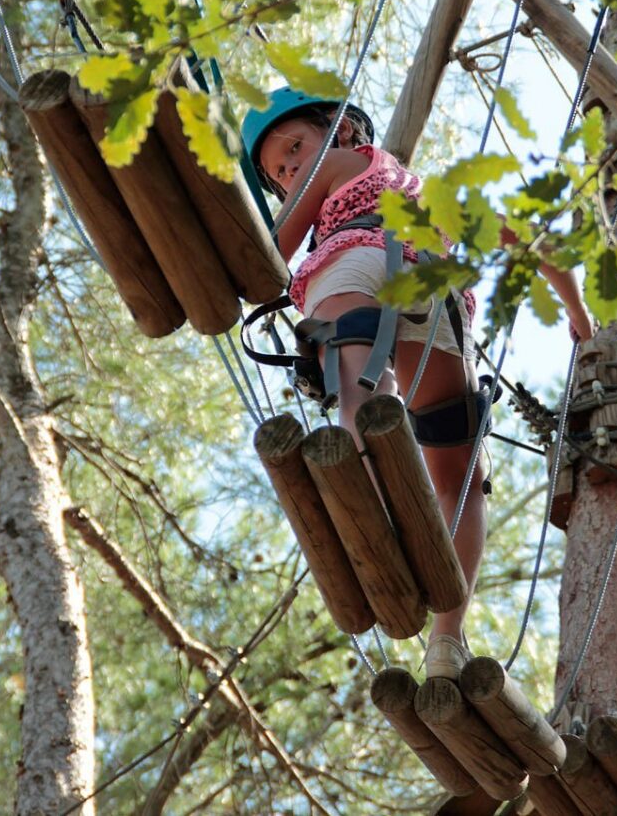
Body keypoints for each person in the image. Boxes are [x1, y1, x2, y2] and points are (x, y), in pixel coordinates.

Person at [242, 87, 594, 677]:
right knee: (458, 465)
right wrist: (578, 311)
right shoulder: (431, 195)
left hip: (353, 260)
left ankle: (372, 508)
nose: (293, 168)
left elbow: (271, 253)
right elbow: (525, 237)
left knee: (360, 395)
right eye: (280, 170)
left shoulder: (332, 163)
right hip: (429, 279)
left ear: (343, 130)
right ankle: (447, 638)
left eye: (295, 148)